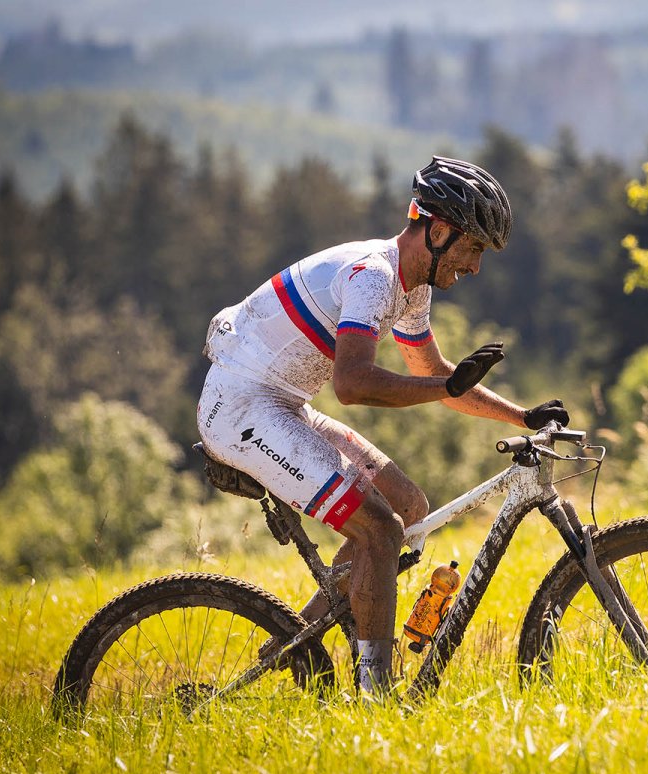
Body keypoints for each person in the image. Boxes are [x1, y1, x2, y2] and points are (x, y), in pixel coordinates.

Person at [196, 156, 570, 696]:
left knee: (409, 508)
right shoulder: (374, 277)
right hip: (243, 410)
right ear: (439, 232)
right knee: (379, 529)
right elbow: (353, 385)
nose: (475, 267)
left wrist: (521, 415)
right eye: (474, 249)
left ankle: (297, 640)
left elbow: (436, 374)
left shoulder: (413, 285)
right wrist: (448, 387)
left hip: (280, 402)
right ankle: (376, 693)